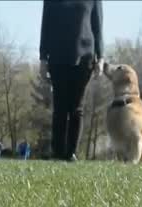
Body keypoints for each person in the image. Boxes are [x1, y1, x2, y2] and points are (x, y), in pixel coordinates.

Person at [39, 0, 104, 162]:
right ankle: (58, 152)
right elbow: (45, 24)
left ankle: (71, 153)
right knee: (60, 106)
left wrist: (101, 56)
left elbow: (97, 26)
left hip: (84, 56)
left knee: (76, 107)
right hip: (57, 55)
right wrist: (42, 58)